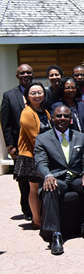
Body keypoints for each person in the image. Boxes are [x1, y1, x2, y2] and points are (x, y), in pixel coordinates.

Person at [34, 106, 84, 255]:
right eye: (59, 116)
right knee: (49, 188)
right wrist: (48, 176)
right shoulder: (42, 138)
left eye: (66, 116)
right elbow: (40, 163)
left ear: (71, 119)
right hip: (56, 178)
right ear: (52, 118)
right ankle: (55, 235)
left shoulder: (80, 137)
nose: (62, 118)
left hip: (77, 177)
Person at [2, 64, 35, 221]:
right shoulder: (9, 95)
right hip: (19, 146)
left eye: (29, 72)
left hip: (37, 144)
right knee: (23, 179)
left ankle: (38, 208)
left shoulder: (39, 93)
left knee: (37, 177)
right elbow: (6, 123)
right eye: (22, 73)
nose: (26, 75)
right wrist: (10, 145)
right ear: (17, 76)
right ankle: (27, 211)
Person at [16, 82, 52, 229]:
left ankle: (43, 216)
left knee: (43, 187)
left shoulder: (44, 111)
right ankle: (36, 220)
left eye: (39, 92)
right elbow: (34, 138)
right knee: (33, 188)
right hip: (31, 156)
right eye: (33, 93)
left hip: (44, 154)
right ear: (27, 96)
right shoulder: (27, 112)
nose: (37, 95)